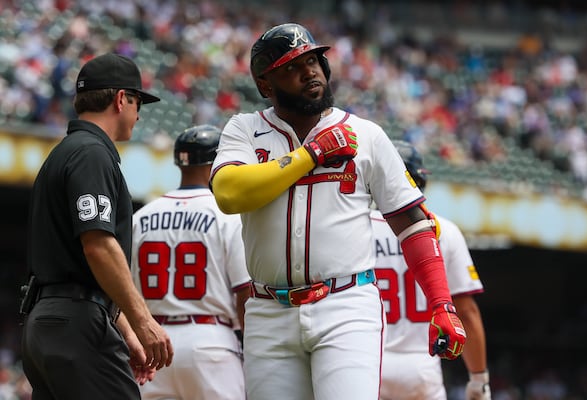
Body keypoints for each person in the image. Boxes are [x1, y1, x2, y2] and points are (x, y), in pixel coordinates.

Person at [209, 22, 467, 400]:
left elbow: (412, 223)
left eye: (312, 60)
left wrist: (442, 303)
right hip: (268, 310)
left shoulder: (366, 134)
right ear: (266, 84)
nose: (308, 71)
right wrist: (310, 156)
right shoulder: (244, 129)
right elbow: (229, 194)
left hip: (345, 305)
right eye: (291, 67)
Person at [21, 52, 174, 400]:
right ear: (121, 99)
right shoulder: (92, 153)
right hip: (75, 326)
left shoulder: (65, 151)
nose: (138, 115)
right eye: (138, 103)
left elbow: (82, 266)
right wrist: (143, 322)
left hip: (46, 322)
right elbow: (98, 246)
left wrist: (124, 331)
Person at [130, 124, 252, 400]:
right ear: (218, 161)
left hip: (152, 344)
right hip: (211, 341)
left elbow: (121, 291)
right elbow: (244, 292)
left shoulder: (140, 218)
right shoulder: (229, 216)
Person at [372, 140, 491, 400]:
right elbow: (467, 312)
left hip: (369, 360)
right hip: (421, 363)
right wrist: (478, 379)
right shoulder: (442, 229)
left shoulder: (355, 228)